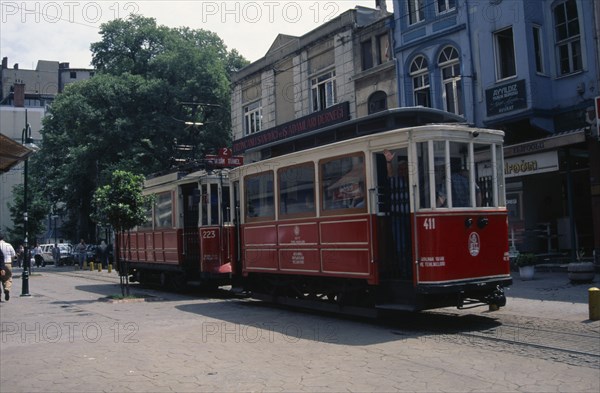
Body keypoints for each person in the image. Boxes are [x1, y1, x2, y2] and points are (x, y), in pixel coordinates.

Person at [0, 232, 15, 301]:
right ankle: (7, 289)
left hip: (0, 264)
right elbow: (13, 255)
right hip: (8, 263)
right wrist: (11, 262)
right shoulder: (8, 245)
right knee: (8, 278)